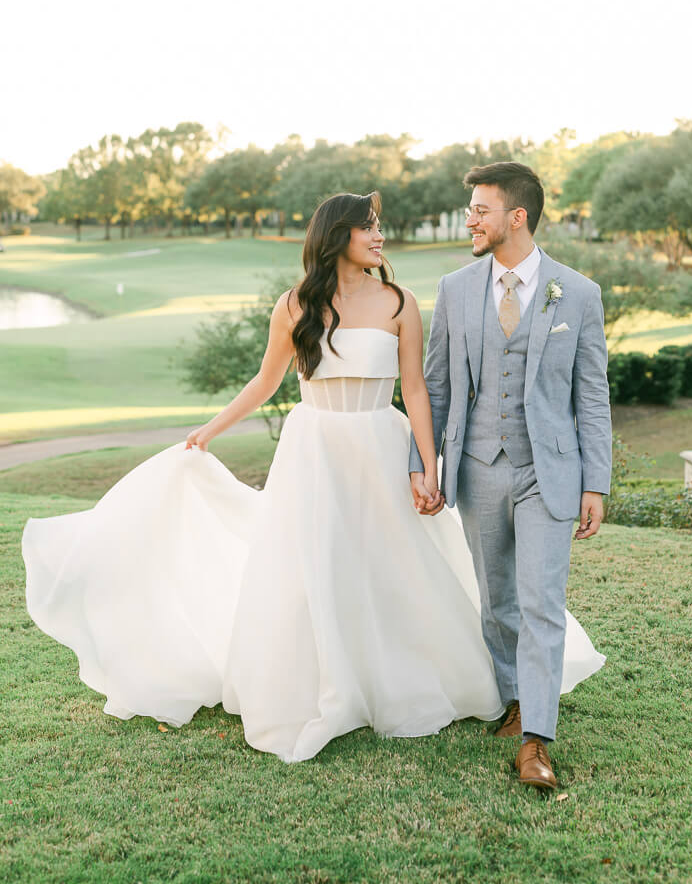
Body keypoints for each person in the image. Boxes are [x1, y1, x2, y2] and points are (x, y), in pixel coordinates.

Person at [22, 190, 604, 764]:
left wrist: (428, 467)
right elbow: (265, 381)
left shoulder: (399, 302)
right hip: (315, 448)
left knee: (393, 564)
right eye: (369, 227)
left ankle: (426, 680)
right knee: (314, 565)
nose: (380, 236)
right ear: (337, 237)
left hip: (380, 441)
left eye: (380, 227)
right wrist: (209, 429)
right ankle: (327, 684)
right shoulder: (295, 304)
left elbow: (421, 390)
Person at [409, 162, 612, 790]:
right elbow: (436, 386)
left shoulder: (576, 294)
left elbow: (593, 396)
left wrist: (595, 482)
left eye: (480, 209)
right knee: (497, 605)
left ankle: (535, 743)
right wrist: (425, 465)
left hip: (548, 471)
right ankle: (516, 696)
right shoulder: (456, 288)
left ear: (515, 217)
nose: (469, 219)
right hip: (478, 468)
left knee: (541, 603)